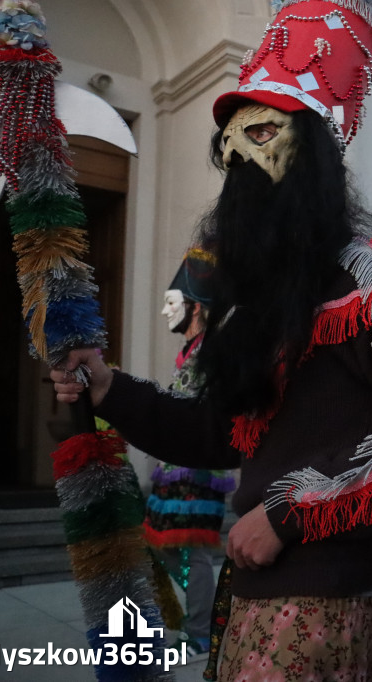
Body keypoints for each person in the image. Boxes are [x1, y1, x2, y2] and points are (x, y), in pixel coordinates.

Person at [51, 3, 372, 680]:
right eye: (232, 148)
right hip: (251, 602)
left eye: (264, 134)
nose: (242, 160)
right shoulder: (264, 299)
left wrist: (288, 515)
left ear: (310, 157)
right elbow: (222, 434)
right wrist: (109, 387)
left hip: (322, 607)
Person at [145, 249, 235, 657]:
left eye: (172, 303)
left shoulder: (212, 350)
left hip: (196, 467)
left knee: (191, 549)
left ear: (195, 308)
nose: (165, 312)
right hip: (174, 465)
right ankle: (210, 615)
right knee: (164, 544)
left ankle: (202, 630)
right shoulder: (189, 350)